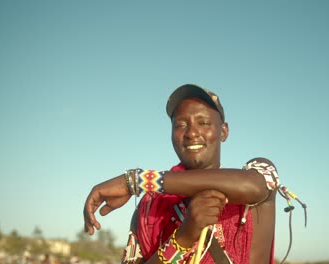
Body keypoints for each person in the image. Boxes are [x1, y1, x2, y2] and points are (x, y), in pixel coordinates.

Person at [83, 84, 285, 263]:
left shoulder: (255, 175)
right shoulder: (149, 208)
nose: (191, 133)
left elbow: (255, 187)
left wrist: (136, 180)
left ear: (223, 131)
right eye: (180, 124)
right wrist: (183, 239)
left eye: (203, 123)